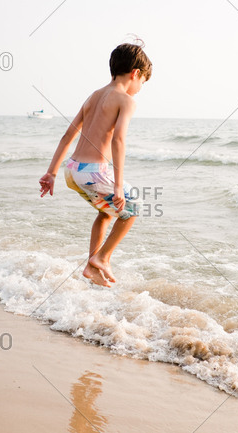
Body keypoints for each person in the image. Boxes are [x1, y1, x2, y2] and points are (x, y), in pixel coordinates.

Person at [39, 42, 152, 287]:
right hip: (93, 172)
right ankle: (102, 258)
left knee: (106, 212)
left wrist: (51, 173)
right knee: (132, 209)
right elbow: (119, 140)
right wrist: (119, 186)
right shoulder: (126, 100)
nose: (139, 89)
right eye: (142, 83)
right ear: (136, 73)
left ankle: (92, 267)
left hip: (72, 170)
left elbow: (67, 136)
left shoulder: (93, 95)